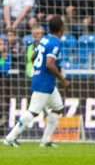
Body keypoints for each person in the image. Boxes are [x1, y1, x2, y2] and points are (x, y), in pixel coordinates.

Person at [3, 16, 69, 148]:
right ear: (61, 28)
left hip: (46, 81)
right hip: (44, 83)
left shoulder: (44, 39)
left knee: (58, 108)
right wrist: (63, 79)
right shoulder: (55, 43)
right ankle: (10, 138)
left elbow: (33, 56)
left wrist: (38, 70)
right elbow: (50, 64)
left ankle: (46, 140)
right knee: (32, 111)